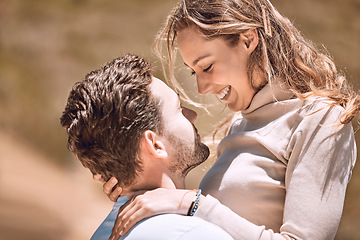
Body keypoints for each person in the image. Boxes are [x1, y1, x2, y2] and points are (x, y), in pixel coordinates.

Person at [104, 1, 359, 240]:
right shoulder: (240, 123)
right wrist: (138, 189)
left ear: (248, 39)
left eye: (207, 67)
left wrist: (192, 203)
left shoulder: (321, 119)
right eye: (194, 71)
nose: (201, 88)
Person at [60, 54, 234, 240]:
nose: (192, 115)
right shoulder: (193, 234)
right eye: (178, 108)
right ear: (155, 145)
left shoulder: (103, 233)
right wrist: (196, 204)